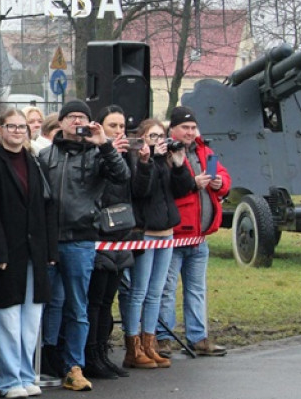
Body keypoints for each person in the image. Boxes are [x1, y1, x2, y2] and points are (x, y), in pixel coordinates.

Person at [38, 99, 131, 392]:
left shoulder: (97, 155)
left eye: (83, 117)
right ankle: (47, 357)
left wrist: (104, 144)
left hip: (81, 239)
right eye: (72, 116)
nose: (77, 121)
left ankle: (73, 365)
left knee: (77, 305)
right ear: (61, 122)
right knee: (50, 303)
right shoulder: (44, 155)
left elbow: (122, 175)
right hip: (50, 240)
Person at [0, 109, 54, 399]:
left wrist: (49, 249)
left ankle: (26, 374)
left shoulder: (35, 161)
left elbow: (48, 206)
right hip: (6, 251)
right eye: (12, 126)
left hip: (35, 251)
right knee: (7, 319)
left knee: (30, 320)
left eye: (22, 127)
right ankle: (8, 379)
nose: (18, 131)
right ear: (0, 129)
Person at [157, 106, 231, 357]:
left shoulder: (204, 151)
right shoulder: (166, 152)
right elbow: (169, 186)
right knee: (166, 290)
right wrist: (193, 184)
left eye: (192, 128)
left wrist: (220, 184)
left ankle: (198, 337)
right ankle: (163, 338)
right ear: (173, 129)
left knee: (196, 289)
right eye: (184, 128)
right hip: (176, 234)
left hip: (199, 236)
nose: (189, 132)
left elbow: (223, 175)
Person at [123, 117, 195, 369]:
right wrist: (147, 160)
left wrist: (178, 165)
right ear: (142, 139)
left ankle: (149, 343)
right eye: (152, 137)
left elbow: (183, 189)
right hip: (146, 231)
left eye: (160, 137)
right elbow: (141, 190)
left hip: (166, 231)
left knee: (156, 292)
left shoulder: (165, 161)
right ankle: (133, 347)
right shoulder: (138, 160)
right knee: (139, 291)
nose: (158, 141)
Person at [80, 106, 136, 380]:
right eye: (112, 125)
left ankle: (102, 352)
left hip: (121, 236)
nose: (118, 131)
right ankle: (91, 355)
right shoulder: (95, 155)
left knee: (107, 301)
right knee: (95, 300)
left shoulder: (124, 158)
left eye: (122, 125)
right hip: (99, 235)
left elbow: (132, 189)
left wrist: (139, 161)